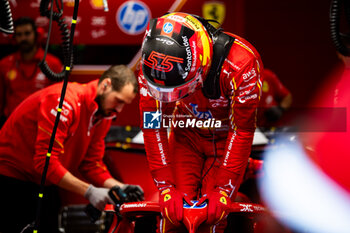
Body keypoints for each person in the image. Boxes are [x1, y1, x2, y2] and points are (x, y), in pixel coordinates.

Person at [138, 12, 263, 232]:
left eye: (179, 90)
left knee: (212, 219)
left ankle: (248, 170)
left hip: (226, 142)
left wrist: (224, 188)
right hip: (186, 137)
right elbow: (153, 125)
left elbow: (241, 131)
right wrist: (165, 186)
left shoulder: (242, 65)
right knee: (173, 218)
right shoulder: (152, 64)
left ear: (202, 64)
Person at [0, 65, 144, 233]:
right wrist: (89, 191)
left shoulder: (104, 115)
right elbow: (44, 162)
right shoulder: (63, 101)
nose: (119, 110)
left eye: (124, 104)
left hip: (43, 181)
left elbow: (91, 164)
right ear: (105, 85)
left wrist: (119, 187)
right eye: (118, 100)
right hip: (12, 178)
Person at [0, 17, 62, 128]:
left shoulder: (52, 63)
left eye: (27, 33)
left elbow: (59, 100)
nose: (23, 38)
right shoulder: (5, 64)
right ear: (14, 37)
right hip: (13, 126)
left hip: (42, 125)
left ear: (37, 34)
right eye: (19, 35)